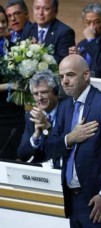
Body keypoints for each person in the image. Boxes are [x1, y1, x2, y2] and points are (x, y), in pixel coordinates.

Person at [46, 54, 101, 227]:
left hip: (100, 201)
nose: (64, 81)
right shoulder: (64, 107)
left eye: (70, 75)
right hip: (74, 199)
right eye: (61, 76)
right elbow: (50, 148)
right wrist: (70, 138)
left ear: (86, 75)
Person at [17, 69, 62, 168]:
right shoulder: (31, 116)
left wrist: (47, 126)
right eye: (35, 94)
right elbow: (22, 155)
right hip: (39, 172)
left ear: (56, 92)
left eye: (44, 92)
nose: (39, 98)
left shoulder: (67, 111)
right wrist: (35, 136)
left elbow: (62, 147)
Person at [0, 5, 25, 160]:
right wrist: (10, 86)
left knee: (12, 157)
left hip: (15, 113)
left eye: (3, 21)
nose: (1, 25)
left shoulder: (16, 48)